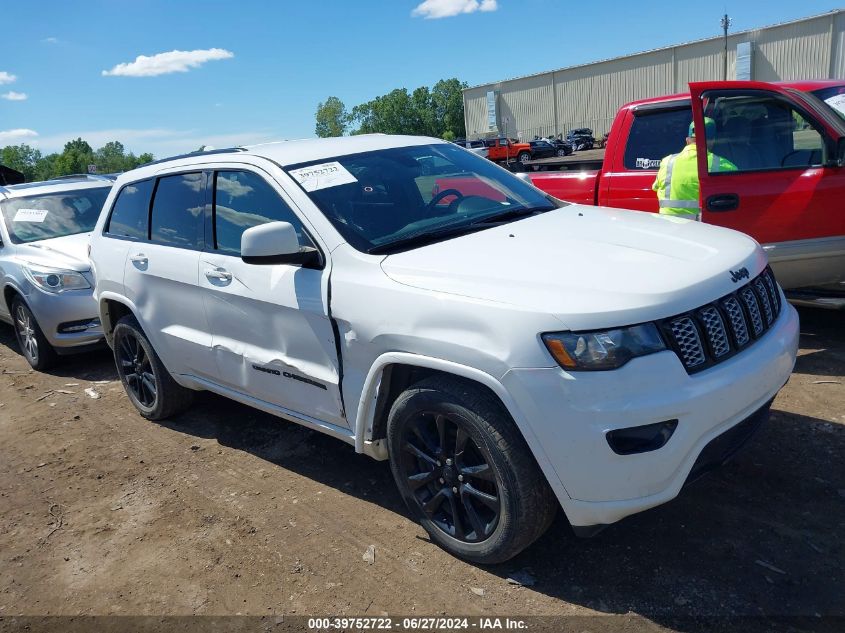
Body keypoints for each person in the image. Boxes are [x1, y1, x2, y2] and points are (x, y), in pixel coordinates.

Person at [652, 117, 737, 220]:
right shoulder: (723, 165)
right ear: (712, 141)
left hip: (668, 226)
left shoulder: (667, 162)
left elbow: (655, 187)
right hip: (699, 229)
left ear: (687, 140)